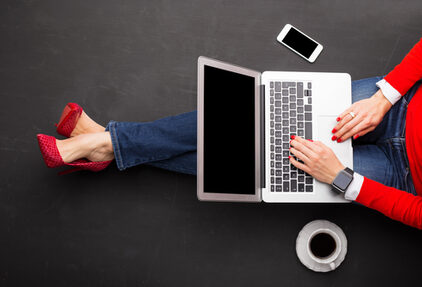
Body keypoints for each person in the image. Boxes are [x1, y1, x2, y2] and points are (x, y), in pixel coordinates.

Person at [37, 38, 422, 229]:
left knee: (266, 170)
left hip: (400, 176)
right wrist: (385, 97)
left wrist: (341, 180)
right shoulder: (388, 101)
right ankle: (106, 146)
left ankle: (105, 143)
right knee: (254, 117)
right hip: (397, 106)